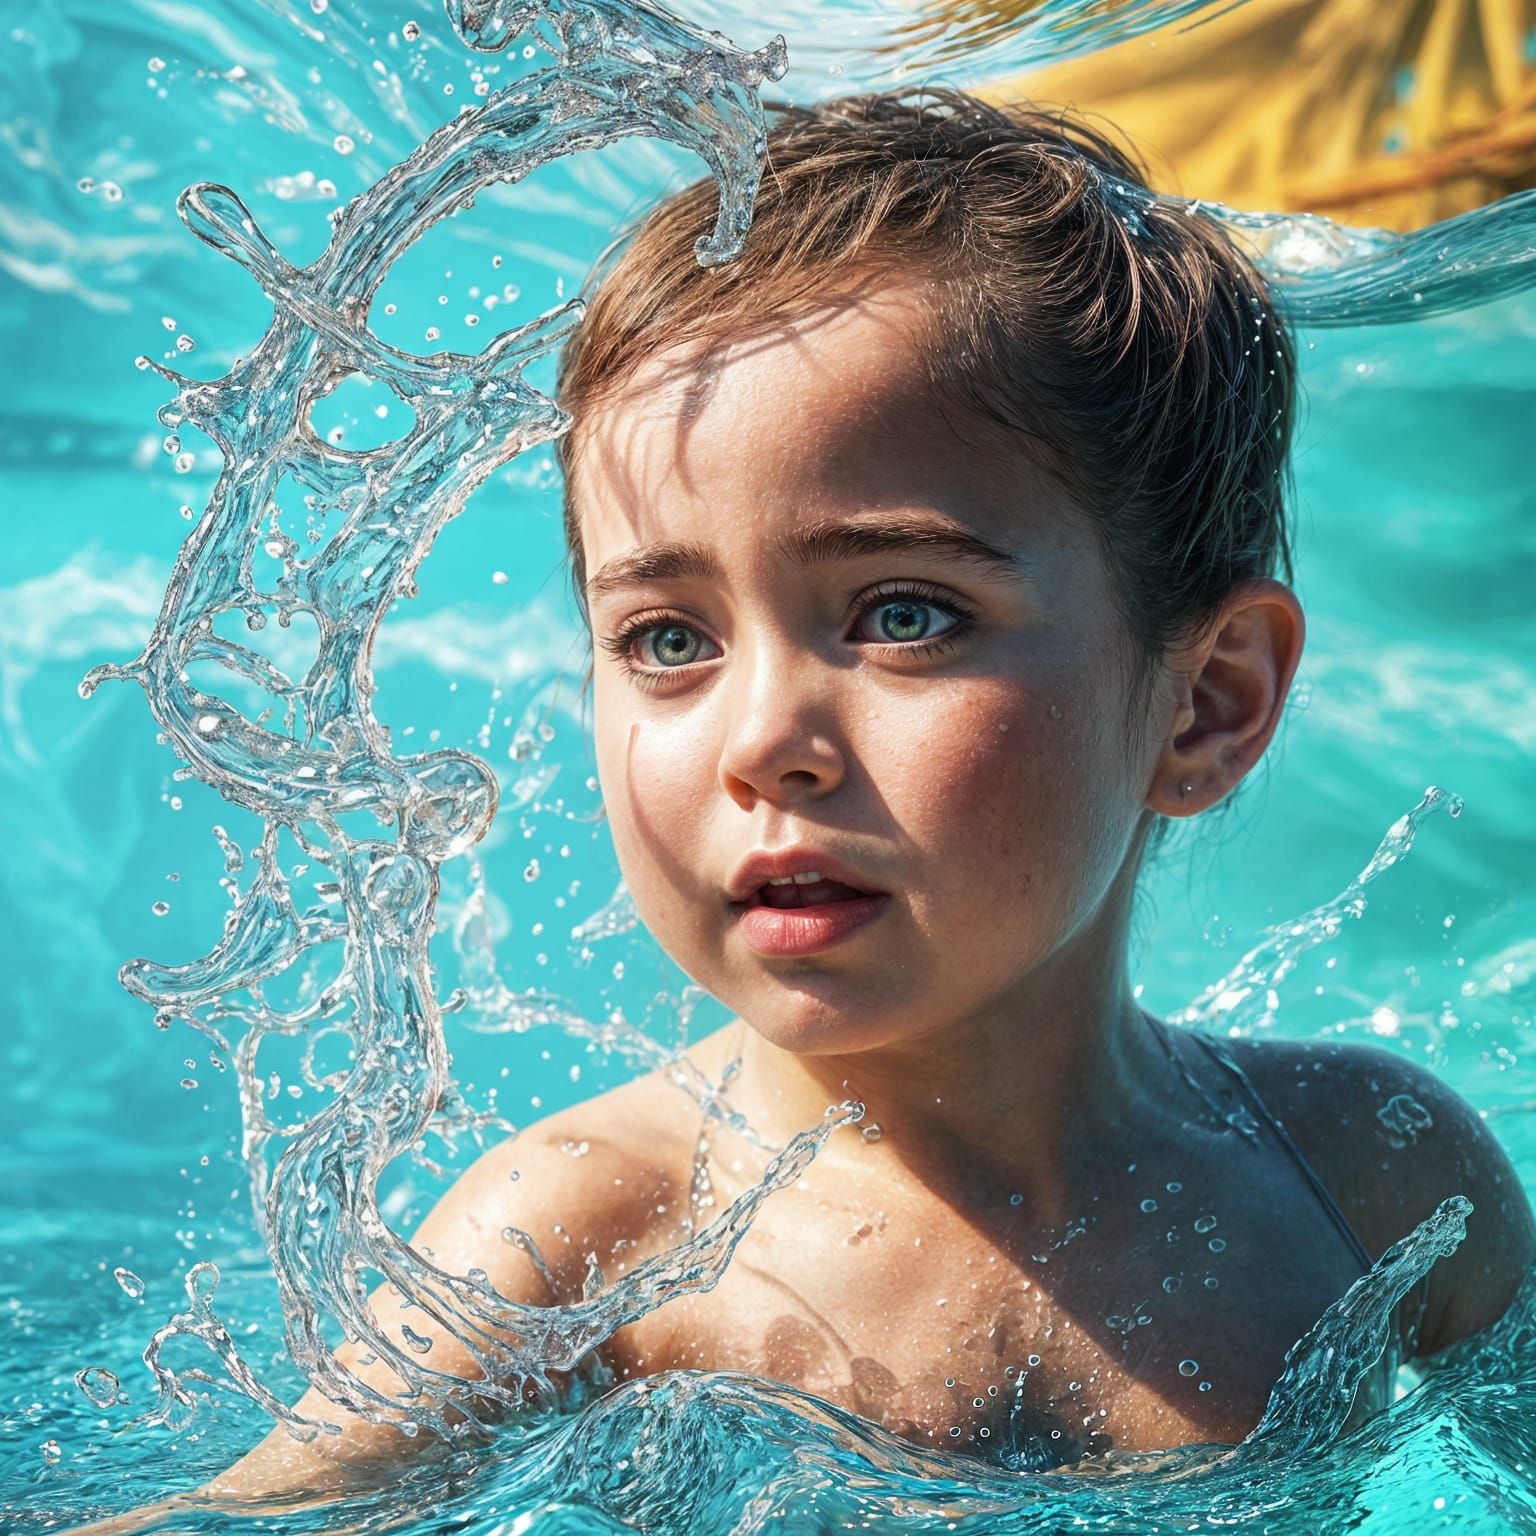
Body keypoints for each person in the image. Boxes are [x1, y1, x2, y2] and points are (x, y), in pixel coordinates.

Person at [69, 87, 1535, 1527]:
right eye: (667, 639)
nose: (764, 739)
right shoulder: (580, 1247)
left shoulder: (1376, 1182)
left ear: (1207, 702)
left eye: (903, 614)